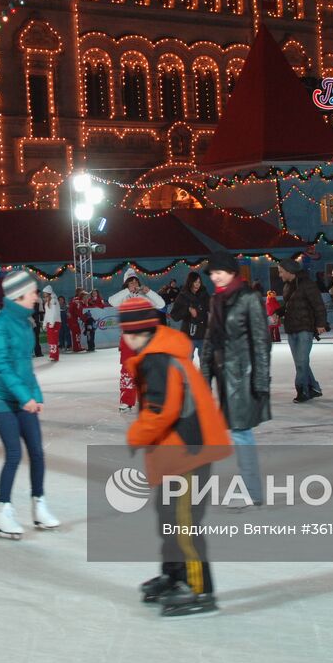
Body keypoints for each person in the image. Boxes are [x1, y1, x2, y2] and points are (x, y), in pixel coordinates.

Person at [123, 296, 231, 617]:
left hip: (189, 454)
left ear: (136, 332)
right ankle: (175, 576)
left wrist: (136, 435)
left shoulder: (158, 359)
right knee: (168, 518)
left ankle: (199, 590)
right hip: (177, 453)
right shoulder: (161, 354)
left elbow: (161, 410)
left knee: (184, 524)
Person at [0, 270, 58, 539]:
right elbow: (1, 367)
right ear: (19, 296)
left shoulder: (26, 324)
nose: (37, 297)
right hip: (1, 399)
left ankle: (39, 505)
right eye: (33, 293)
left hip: (23, 398)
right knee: (14, 453)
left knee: (37, 452)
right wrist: (23, 396)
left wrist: (35, 395)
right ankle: (3, 512)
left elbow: (27, 366)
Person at [202, 252, 270, 508]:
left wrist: (261, 382)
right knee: (239, 432)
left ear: (232, 272)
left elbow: (262, 343)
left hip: (244, 375)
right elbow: (210, 339)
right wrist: (204, 378)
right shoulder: (216, 299)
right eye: (212, 273)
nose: (215, 276)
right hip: (224, 376)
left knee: (241, 433)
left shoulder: (249, 299)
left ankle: (252, 491)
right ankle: (250, 489)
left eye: (220, 272)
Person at [109, 268, 166, 412]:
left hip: (145, 339)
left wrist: (149, 292)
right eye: (131, 282)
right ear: (126, 284)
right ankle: (126, 401)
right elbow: (111, 301)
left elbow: (161, 304)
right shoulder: (123, 297)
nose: (134, 283)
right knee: (127, 370)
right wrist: (128, 290)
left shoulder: (145, 296)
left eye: (136, 281)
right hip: (128, 339)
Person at [275, 258, 324, 403]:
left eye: (281, 272)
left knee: (301, 361)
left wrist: (321, 324)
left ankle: (302, 390)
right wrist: (279, 311)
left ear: (290, 271)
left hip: (305, 328)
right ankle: (314, 388)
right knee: (300, 362)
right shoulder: (287, 286)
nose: (279, 275)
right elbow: (290, 305)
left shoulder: (307, 285)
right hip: (291, 328)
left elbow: (318, 305)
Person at [168, 271, 210, 363]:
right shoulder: (183, 296)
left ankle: (203, 377)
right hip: (189, 334)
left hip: (203, 334)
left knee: (205, 363)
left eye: (199, 282)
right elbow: (174, 315)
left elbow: (210, 308)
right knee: (187, 363)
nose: (197, 285)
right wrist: (188, 310)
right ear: (190, 282)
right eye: (195, 282)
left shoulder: (204, 294)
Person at [41, 285, 62, 363]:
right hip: (50, 323)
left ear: (48, 292)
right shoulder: (47, 302)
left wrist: (52, 323)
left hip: (55, 322)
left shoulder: (54, 301)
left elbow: (54, 313)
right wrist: (44, 323)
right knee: (50, 340)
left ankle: (54, 356)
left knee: (53, 340)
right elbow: (47, 314)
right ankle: (52, 355)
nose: (43, 294)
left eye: (44, 293)